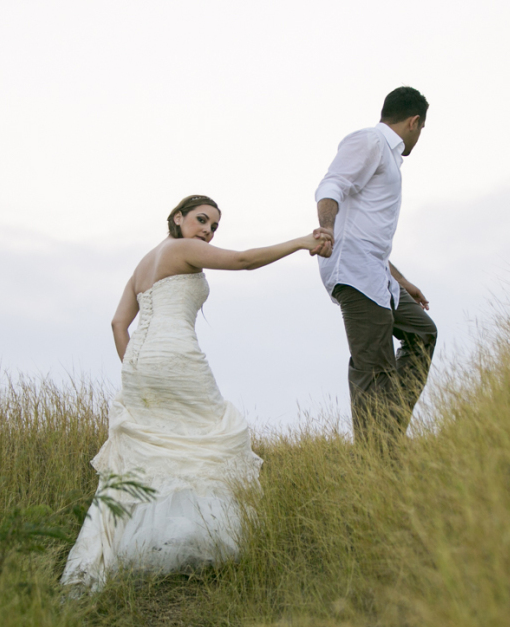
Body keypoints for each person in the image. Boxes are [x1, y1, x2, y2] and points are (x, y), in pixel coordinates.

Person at [61, 194, 330, 590]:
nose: (207, 230)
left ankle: (135, 550)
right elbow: (242, 261)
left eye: (214, 226)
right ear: (178, 217)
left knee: (158, 448)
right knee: (213, 436)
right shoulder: (182, 248)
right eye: (202, 220)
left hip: (140, 363)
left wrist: (138, 371)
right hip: (175, 355)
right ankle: (191, 544)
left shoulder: (143, 263)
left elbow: (119, 325)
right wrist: (300, 242)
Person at [312, 86, 437, 448]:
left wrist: (402, 280)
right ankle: (376, 458)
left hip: (377, 271)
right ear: (415, 121)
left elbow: (368, 234)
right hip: (354, 271)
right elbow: (331, 184)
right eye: (422, 129)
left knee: (423, 334)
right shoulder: (369, 141)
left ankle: (387, 433)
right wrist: (327, 228)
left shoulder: (388, 157)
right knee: (374, 368)